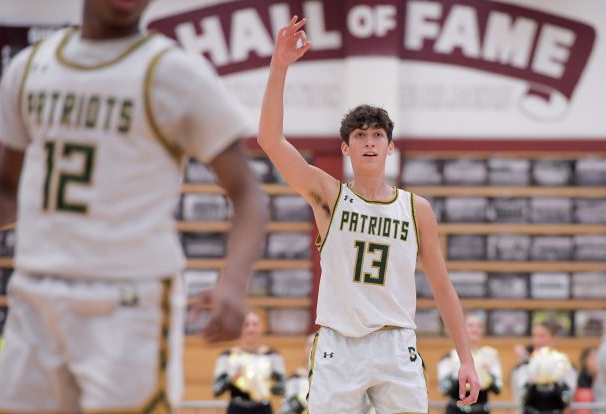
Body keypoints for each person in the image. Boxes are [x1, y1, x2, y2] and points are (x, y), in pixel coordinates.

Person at [0, 0, 266, 411]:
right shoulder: (29, 68)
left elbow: (248, 193)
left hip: (129, 300)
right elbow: (7, 188)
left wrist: (234, 280)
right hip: (35, 292)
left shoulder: (175, 73)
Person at [257, 16, 480, 414]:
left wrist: (466, 357)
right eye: (359, 136)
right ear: (346, 148)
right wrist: (278, 68)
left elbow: (443, 288)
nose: (369, 142)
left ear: (391, 146)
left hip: (396, 344)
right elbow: (270, 141)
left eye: (378, 135)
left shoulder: (416, 209)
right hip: (339, 346)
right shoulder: (329, 196)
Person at [212, 311, 286, 414]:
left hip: (262, 409)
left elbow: (282, 387)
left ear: (261, 328)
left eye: (255, 324)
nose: (251, 329)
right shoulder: (227, 355)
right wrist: (232, 379)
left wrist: (266, 385)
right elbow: (216, 390)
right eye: (246, 325)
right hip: (237, 409)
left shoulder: (272, 355)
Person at [438, 313, 502, 414]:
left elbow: (498, 389)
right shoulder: (449, 357)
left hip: (481, 410)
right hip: (456, 410)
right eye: (470, 325)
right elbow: (444, 389)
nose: (475, 329)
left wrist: (487, 375)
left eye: (479, 326)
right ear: (463, 329)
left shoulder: (490, 356)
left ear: (483, 331)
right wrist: (458, 372)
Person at [512, 320, 577, 414]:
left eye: (542, 336)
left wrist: (554, 378)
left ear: (554, 338)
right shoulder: (525, 365)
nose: (536, 341)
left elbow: (567, 398)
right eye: (534, 336)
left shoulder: (564, 365)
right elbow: (520, 397)